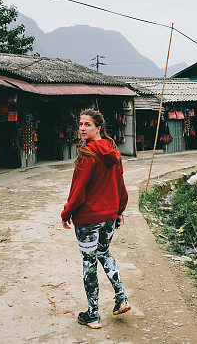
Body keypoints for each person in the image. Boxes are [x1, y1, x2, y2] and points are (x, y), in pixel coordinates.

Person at [61, 109, 130, 329]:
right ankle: (121, 298)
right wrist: (118, 210)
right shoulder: (113, 151)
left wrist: (66, 213)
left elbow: (78, 190)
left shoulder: (88, 153)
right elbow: (120, 185)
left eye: (87, 124)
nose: (82, 128)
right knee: (104, 253)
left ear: (98, 127)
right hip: (108, 216)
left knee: (89, 262)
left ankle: (93, 314)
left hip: (88, 219)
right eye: (80, 124)